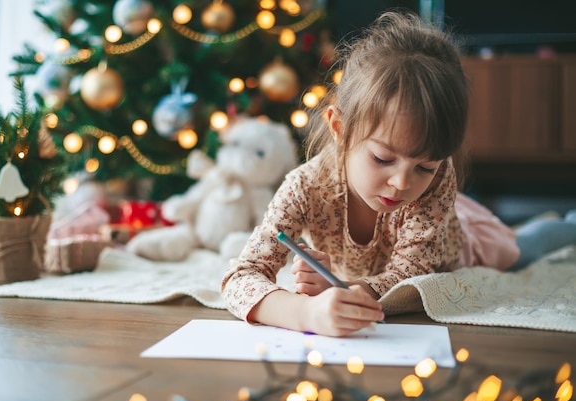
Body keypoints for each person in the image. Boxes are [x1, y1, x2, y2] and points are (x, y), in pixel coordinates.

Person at [221, 11, 576, 337]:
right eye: (382, 159)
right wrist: (305, 313)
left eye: (425, 166)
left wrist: (345, 292)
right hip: (406, 239)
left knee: (526, 246)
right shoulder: (304, 186)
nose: (403, 183)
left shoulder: (435, 184)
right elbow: (241, 277)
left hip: (462, 237)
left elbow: (415, 277)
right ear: (340, 128)